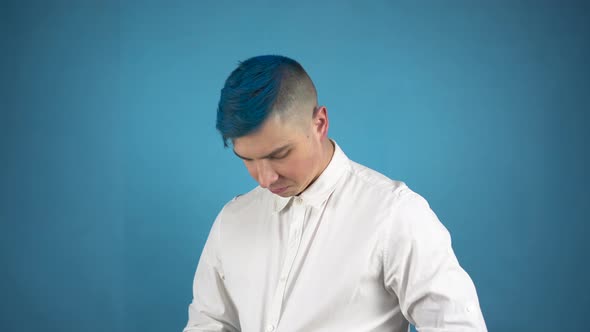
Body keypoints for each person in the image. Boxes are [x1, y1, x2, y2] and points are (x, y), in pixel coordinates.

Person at [183, 55, 487, 332]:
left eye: (280, 154)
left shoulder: (394, 213)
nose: (264, 179)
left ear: (320, 124)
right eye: (247, 159)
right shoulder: (232, 221)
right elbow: (208, 325)